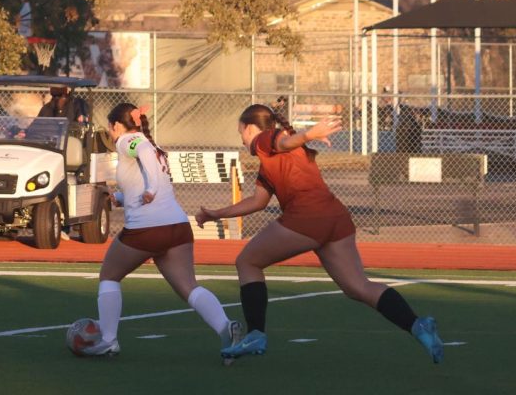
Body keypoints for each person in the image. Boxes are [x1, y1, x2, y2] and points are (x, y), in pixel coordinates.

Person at [196, 104, 443, 363]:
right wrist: (216, 213)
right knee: (358, 287)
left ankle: (256, 334)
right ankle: (418, 326)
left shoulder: (264, 139)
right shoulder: (271, 160)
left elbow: (282, 141)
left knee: (247, 262)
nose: (242, 138)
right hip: (335, 218)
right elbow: (258, 201)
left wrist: (308, 134)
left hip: (308, 218)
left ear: (249, 128)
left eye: (241, 132)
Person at [78, 103, 242, 357]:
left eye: (111, 129)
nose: (111, 134)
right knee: (189, 287)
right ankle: (225, 328)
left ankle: (109, 340)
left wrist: (151, 189)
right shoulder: (152, 144)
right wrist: (121, 197)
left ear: (117, 126)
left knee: (109, 276)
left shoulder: (128, 141)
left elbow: (143, 160)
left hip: (147, 229)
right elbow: (145, 176)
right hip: (177, 227)